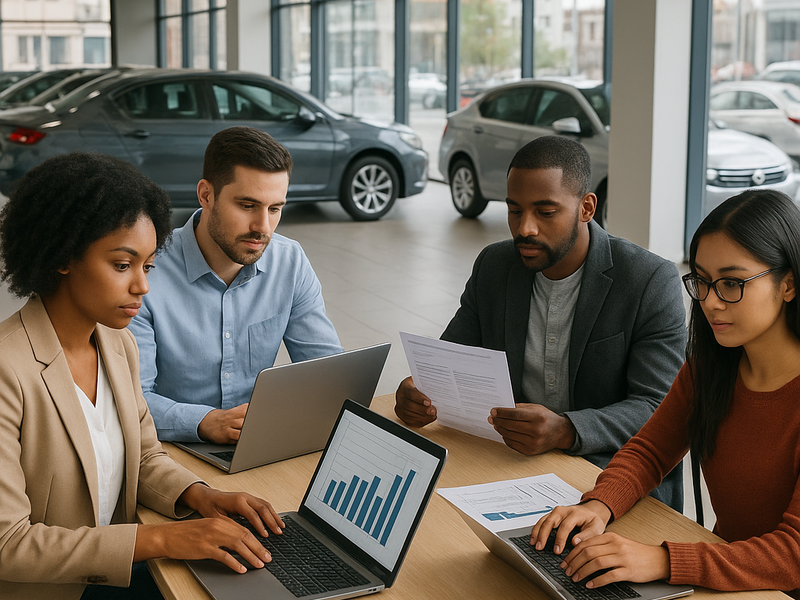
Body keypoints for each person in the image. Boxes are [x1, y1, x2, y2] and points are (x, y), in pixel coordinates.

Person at [0, 153, 286, 600]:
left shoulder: (117, 345)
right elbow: (8, 544)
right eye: (121, 265)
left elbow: (145, 457)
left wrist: (199, 494)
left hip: (117, 570)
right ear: (62, 257)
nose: (142, 286)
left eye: (148, 266)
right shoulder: (7, 369)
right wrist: (163, 539)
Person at [530, 189, 800, 595]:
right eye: (702, 281)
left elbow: (793, 553)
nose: (710, 302)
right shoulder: (712, 368)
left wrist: (662, 559)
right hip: (731, 572)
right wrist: (598, 505)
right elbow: (650, 452)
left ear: (788, 284)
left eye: (731, 282)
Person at [394, 136, 687, 510]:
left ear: (586, 207)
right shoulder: (495, 266)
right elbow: (450, 358)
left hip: (611, 475)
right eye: (514, 210)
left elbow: (658, 408)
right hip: (514, 467)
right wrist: (418, 391)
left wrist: (566, 429)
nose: (525, 228)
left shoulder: (648, 280)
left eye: (545, 212)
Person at [129, 126, 343, 445]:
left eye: (275, 209)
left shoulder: (290, 261)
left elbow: (329, 374)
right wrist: (203, 422)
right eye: (247, 206)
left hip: (254, 441)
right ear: (206, 195)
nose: (262, 227)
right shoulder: (147, 271)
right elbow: (133, 398)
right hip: (169, 447)